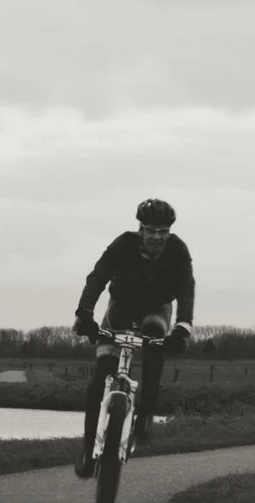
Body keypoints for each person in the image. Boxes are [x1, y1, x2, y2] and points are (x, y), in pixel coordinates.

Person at [71, 199, 195, 477]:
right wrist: (85, 314)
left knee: (155, 334)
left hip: (158, 308)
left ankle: (145, 415)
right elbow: (97, 277)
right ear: (140, 228)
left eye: (163, 232)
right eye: (151, 230)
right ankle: (89, 448)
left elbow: (186, 287)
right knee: (101, 374)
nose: (156, 237)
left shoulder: (177, 250)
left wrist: (183, 327)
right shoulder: (124, 244)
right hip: (121, 307)